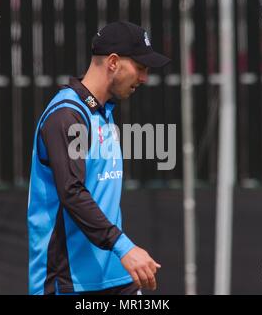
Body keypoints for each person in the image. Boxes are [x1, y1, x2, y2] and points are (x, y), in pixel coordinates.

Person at [27, 21, 171, 295]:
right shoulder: (66, 114)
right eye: (140, 68)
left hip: (115, 275)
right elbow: (72, 193)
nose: (144, 78)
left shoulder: (102, 111)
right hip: (69, 280)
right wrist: (124, 246)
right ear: (114, 62)